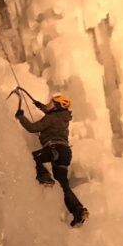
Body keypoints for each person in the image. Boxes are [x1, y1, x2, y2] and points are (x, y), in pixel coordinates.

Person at [16, 93, 89, 227]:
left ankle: (45, 178)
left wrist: (20, 116)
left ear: (56, 106)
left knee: (31, 158)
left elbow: (32, 128)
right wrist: (40, 106)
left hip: (54, 149)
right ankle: (78, 211)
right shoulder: (62, 117)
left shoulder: (52, 117)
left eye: (51, 103)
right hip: (65, 153)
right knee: (63, 185)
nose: (48, 104)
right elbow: (50, 113)